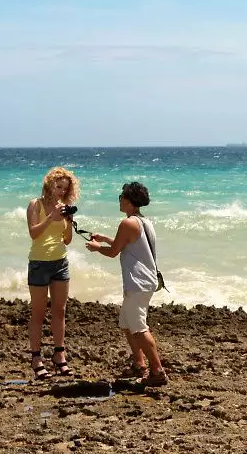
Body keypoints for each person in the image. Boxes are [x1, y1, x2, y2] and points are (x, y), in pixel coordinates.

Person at [85, 181, 169, 387]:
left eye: (122, 197)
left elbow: (114, 252)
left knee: (138, 328)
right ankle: (139, 364)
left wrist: (97, 248)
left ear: (130, 201)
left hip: (137, 282)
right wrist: (104, 239)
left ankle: (157, 371)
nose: (120, 201)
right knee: (127, 325)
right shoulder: (143, 221)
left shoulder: (128, 223)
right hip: (145, 280)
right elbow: (125, 244)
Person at [26, 166, 79, 380]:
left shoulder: (64, 208)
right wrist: (51, 216)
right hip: (39, 263)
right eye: (58, 187)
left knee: (60, 311)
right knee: (38, 313)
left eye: (65, 189)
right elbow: (34, 233)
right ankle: (36, 358)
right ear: (49, 185)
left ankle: (60, 355)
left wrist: (68, 221)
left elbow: (67, 240)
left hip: (60, 262)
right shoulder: (35, 205)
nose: (61, 192)